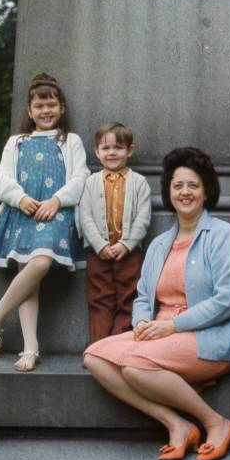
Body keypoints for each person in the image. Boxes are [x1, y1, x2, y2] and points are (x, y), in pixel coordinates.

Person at [84, 147, 230, 460]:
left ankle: (217, 423)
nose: (185, 192)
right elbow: (144, 295)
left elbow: (227, 301)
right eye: (177, 185)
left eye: (193, 185)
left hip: (210, 335)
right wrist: (143, 323)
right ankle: (178, 424)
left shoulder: (224, 236)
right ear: (169, 192)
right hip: (161, 332)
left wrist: (171, 326)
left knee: (134, 367)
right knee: (94, 358)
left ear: (206, 191)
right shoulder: (160, 244)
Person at [0, 73, 89, 372]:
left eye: (51, 105)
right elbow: (3, 179)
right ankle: (31, 347)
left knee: (40, 264)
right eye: (39, 106)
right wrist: (19, 198)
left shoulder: (70, 141)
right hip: (23, 213)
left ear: (62, 108)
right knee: (29, 280)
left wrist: (57, 200)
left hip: (55, 212)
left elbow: (81, 177)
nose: (46, 111)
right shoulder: (16, 142)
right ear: (29, 111)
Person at [79, 122, 151, 343]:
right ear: (97, 152)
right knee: (100, 299)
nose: (112, 153)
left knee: (128, 298)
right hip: (97, 253)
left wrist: (126, 244)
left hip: (128, 253)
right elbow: (86, 216)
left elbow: (143, 218)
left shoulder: (139, 183)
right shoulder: (90, 183)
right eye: (106, 148)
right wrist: (100, 245)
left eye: (118, 148)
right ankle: (98, 347)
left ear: (130, 150)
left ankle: (118, 346)